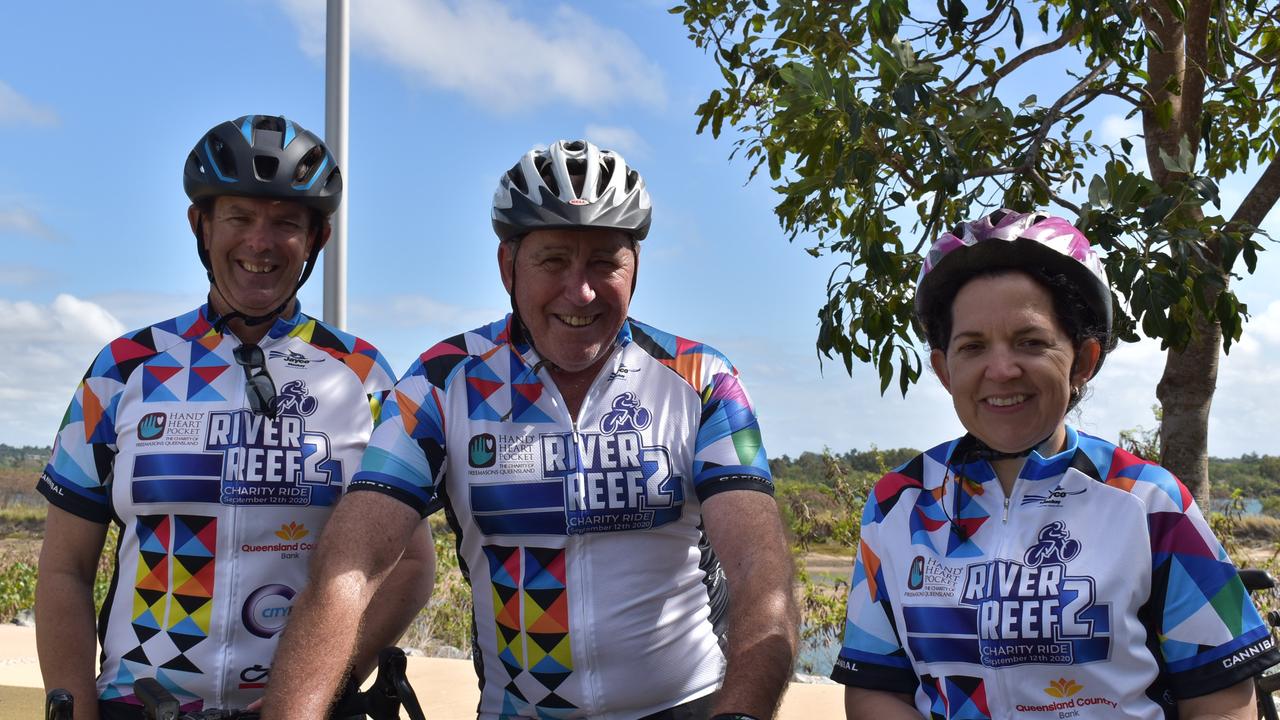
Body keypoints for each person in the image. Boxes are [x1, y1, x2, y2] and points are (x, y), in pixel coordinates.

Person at [262, 139, 799, 719]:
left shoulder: (701, 379)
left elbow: (758, 568)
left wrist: (743, 712)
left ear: (635, 267)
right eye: (552, 261)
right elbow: (353, 563)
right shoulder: (442, 383)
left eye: (604, 261)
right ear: (506, 266)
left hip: (686, 706)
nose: (581, 291)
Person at [34, 114, 433, 719]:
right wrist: (72, 705)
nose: (260, 242)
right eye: (240, 217)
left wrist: (322, 691)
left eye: (285, 223)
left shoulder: (364, 375)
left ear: (318, 238)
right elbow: (65, 565)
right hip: (137, 704)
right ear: (200, 225)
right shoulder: (123, 369)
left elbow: (411, 563)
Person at [831, 209, 1280, 718]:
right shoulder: (897, 505)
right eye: (972, 346)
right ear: (943, 369)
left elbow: (1222, 696)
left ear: (1083, 361)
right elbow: (875, 686)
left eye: (1031, 342)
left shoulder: (1150, 502)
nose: (1001, 370)